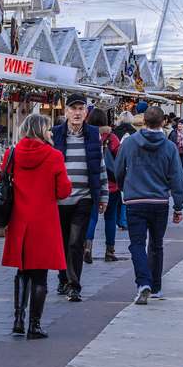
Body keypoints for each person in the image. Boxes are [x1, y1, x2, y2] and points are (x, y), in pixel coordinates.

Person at [1, 114, 71, 339]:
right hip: (44, 221)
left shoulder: (11, 154)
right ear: (42, 130)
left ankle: (18, 320)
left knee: (22, 272)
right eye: (48, 129)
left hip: (19, 219)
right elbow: (63, 191)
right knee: (40, 275)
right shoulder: (54, 156)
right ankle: (35, 325)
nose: (51, 133)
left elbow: (4, 179)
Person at [116, 106, 183, 305]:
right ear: (163, 122)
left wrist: (124, 188)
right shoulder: (169, 147)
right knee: (156, 244)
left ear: (143, 122)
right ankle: (156, 287)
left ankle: (142, 283)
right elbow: (177, 178)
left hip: (135, 201)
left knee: (136, 244)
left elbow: (119, 169)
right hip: (159, 202)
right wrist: (178, 206)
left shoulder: (129, 144)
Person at [51, 94, 108, 302]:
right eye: (73, 108)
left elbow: (100, 166)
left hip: (84, 198)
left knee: (76, 242)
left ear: (86, 113)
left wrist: (103, 196)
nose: (76, 113)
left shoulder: (93, 134)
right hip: (59, 199)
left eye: (80, 109)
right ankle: (62, 278)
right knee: (62, 241)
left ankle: (74, 285)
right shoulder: (56, 134)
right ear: (66, 111)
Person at [84, 108, 121, 263]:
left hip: (91, 184)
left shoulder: (86, 137)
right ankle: (110, 251)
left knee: (91, 217)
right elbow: (119, 160)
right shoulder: (112, 138)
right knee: (110, 218)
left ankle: (87, 247)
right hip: (112, 185)